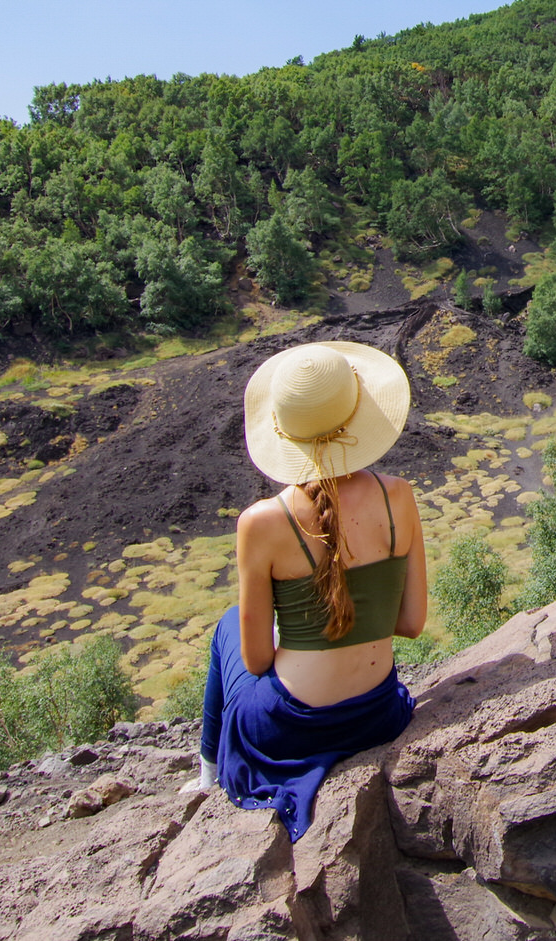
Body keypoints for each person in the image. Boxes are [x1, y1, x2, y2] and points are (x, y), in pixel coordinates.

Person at [194, 340, 427, 840]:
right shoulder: (399, 497)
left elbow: (256, 662)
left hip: (291, 729)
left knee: (227, 626)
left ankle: (207, 774)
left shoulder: (261, 523)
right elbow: (410, 623)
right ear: (357, 413)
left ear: (284, 433)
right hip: (378, 716)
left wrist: (302, 629)